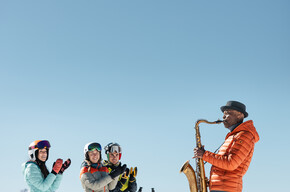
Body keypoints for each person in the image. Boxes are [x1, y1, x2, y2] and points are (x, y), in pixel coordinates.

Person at [194, 101, 260, 192]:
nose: (223, 117)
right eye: (223, 114)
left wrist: (205, 155)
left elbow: (231, 163)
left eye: (228, 113)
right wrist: (213, 182)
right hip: (222, 188)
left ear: (239, 115)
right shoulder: (233, 136)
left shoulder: (244, 136)